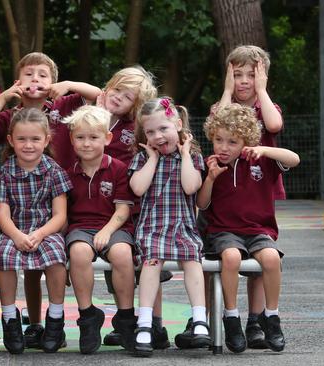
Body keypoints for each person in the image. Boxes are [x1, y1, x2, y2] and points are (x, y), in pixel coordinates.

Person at [0, 52, 101, 346]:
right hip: (21, 215)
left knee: (52, 258)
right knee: (27, 268)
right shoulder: (11, 116)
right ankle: (31, 324)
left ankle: (54, 323)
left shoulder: (63, 105)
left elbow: (101, 96)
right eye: (28, 74)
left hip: (60, 195)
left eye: (42, 75)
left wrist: (69, 85)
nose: (35, 79)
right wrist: (4, 97)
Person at [197, 103, 298, 353]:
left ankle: (271, 318)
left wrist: (264, 149)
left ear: (246, 142)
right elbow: (201, 203)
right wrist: (210, 178)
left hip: (257, 230)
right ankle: (231, 318)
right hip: (223, 231)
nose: (223, 147)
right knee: (231, 257)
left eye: (232, 142)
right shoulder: (208, 164)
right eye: (219, 140)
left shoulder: (261, 161)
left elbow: (294, 159)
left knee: (272, 258)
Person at [210, 45, 284, 348]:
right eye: (236, 75)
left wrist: (262, 90)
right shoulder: (224, 106)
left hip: (258, 184)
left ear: (262, 77)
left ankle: (257, 320)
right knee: (231, 254)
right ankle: (233, 318)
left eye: (250, 75)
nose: (243, 81)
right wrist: (226, 90)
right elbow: (218, 120)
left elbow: (274, 125)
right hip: (227, 190)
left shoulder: (266, 106)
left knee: (261, 259)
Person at [128, 97, 210, 357]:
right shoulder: (143, 157)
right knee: (152, 262)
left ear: (178, 124)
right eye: (150, 132)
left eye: (163, 129)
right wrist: (151, 159)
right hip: (153, 227)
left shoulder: (193, 157)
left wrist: (185, 154)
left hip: (183, 226)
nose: (157, 136)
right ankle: (144, 324)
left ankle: (199, 320)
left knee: (192, 261)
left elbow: (190, 187)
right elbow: (138, 188)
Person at [96, 66, 170, 349]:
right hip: (106, 205)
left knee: (151, 262)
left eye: (128, 96)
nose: (118, 98)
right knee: (117, 263)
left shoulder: (137, 128)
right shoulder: (97, 118)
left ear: (136, 106)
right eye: (116, 90)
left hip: (142, 203)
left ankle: (155, 323)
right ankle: (123, 319)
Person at [0, 108, 71, 354]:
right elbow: (3, 214)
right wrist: (16, 235)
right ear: (10, 140)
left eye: (35, 139)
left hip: (47, 230)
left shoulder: (54, 170)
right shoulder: (5, 172)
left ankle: (55, 320)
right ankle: (10, 319)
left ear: (47, 140)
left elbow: (60, 215)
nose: (28, 145)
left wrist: (40, 234)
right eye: (22, 139)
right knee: (4, 255)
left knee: (56, 257)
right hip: (14, 230)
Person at [62, 106, 136, 354]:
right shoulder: (67, 172)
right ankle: (88, 318)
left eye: (94, 137)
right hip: (80, 228)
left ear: (107, 138)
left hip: (114, 226)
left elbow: (123, 211)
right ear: (72, 140)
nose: (86, 143)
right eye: (80, 137)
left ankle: (126, 318)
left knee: (123, 254)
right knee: (79, 253)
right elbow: (63, 214)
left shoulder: (118, 169)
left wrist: (106, 231)